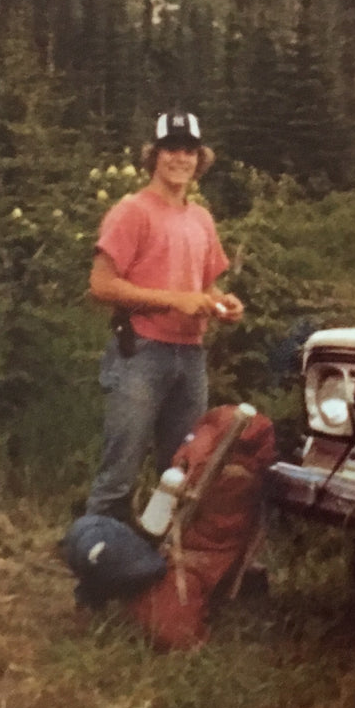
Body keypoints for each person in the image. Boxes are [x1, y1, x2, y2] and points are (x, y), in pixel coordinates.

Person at [83, 111, 244, 524]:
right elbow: (101, 285)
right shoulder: (132, 211)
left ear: (200, 158)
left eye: (189, 150)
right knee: (119, 473)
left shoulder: (201, 218)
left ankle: (158, 574)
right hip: (141, 351)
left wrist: (222, 304)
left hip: (190, 358)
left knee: (181, 474)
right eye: (171, 148)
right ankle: (97, 572)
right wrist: (173, 300)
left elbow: (203, 287)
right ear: (153, 156)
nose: (180, 158)